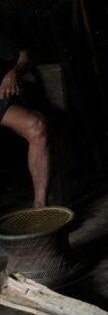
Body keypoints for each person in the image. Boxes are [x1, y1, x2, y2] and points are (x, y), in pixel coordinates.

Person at [0, 30, 51, 208]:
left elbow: (25, 55)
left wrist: (14, 72)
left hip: (1, 99)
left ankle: (40, 207)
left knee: (38, 126)